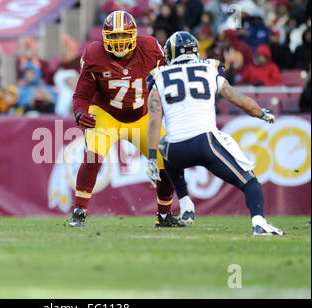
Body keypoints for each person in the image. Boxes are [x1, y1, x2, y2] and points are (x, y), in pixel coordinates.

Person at [145, 31, 285, 235]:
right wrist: (261, 113)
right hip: (205, 143)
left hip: (176, 150)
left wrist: (150, 158)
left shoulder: (158, 75)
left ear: (170, 53)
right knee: (250, 181)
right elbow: (235, 98)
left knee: (165, 144)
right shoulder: (209, 67)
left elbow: (154, 120)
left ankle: (185, 204)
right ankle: (259, 222)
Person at [69, 10, 179, 228]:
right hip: (106, 113)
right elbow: (81, 95)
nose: (119, 41)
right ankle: (79, 211)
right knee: (93, 155)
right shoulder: (94, 54)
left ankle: (164, 215)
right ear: (105, 37)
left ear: (134, 35)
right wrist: (80, 113)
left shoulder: (150, 48)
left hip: (141, 116)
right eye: (114, 36)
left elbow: (167, 80)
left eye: (123, 35)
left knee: (169, 160)